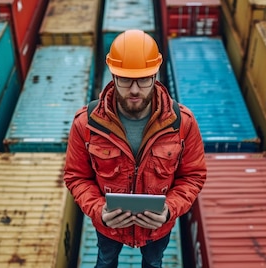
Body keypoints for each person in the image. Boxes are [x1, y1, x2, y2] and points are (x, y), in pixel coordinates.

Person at [63, 29, 207, 268]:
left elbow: (193, 176)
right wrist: (99, 211)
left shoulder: (183, 123)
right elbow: (76, 177)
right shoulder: (86, 124)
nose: (134, 90)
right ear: (112, 75)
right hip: (108, 228)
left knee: (153, 263)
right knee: (105, 260)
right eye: (125, 79)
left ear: (155, 74)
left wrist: (169, 211)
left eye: (143, 79)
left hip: (157, 230)